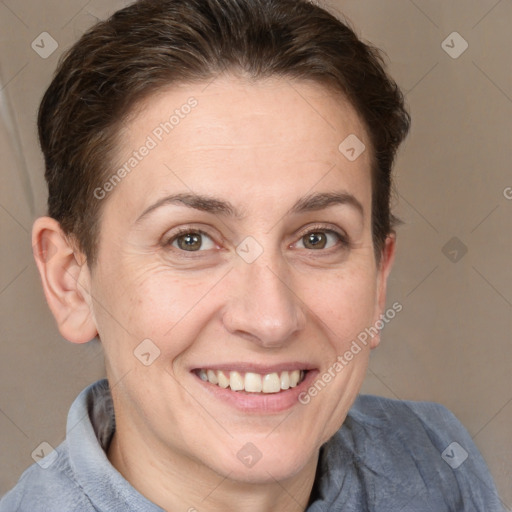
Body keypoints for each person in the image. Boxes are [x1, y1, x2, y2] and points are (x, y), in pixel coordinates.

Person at [0, 0, 503, 510]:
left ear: (378, 282)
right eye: (190, 240)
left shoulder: (436, 459)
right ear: (70, 281)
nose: (271, 319)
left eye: (317, 238)